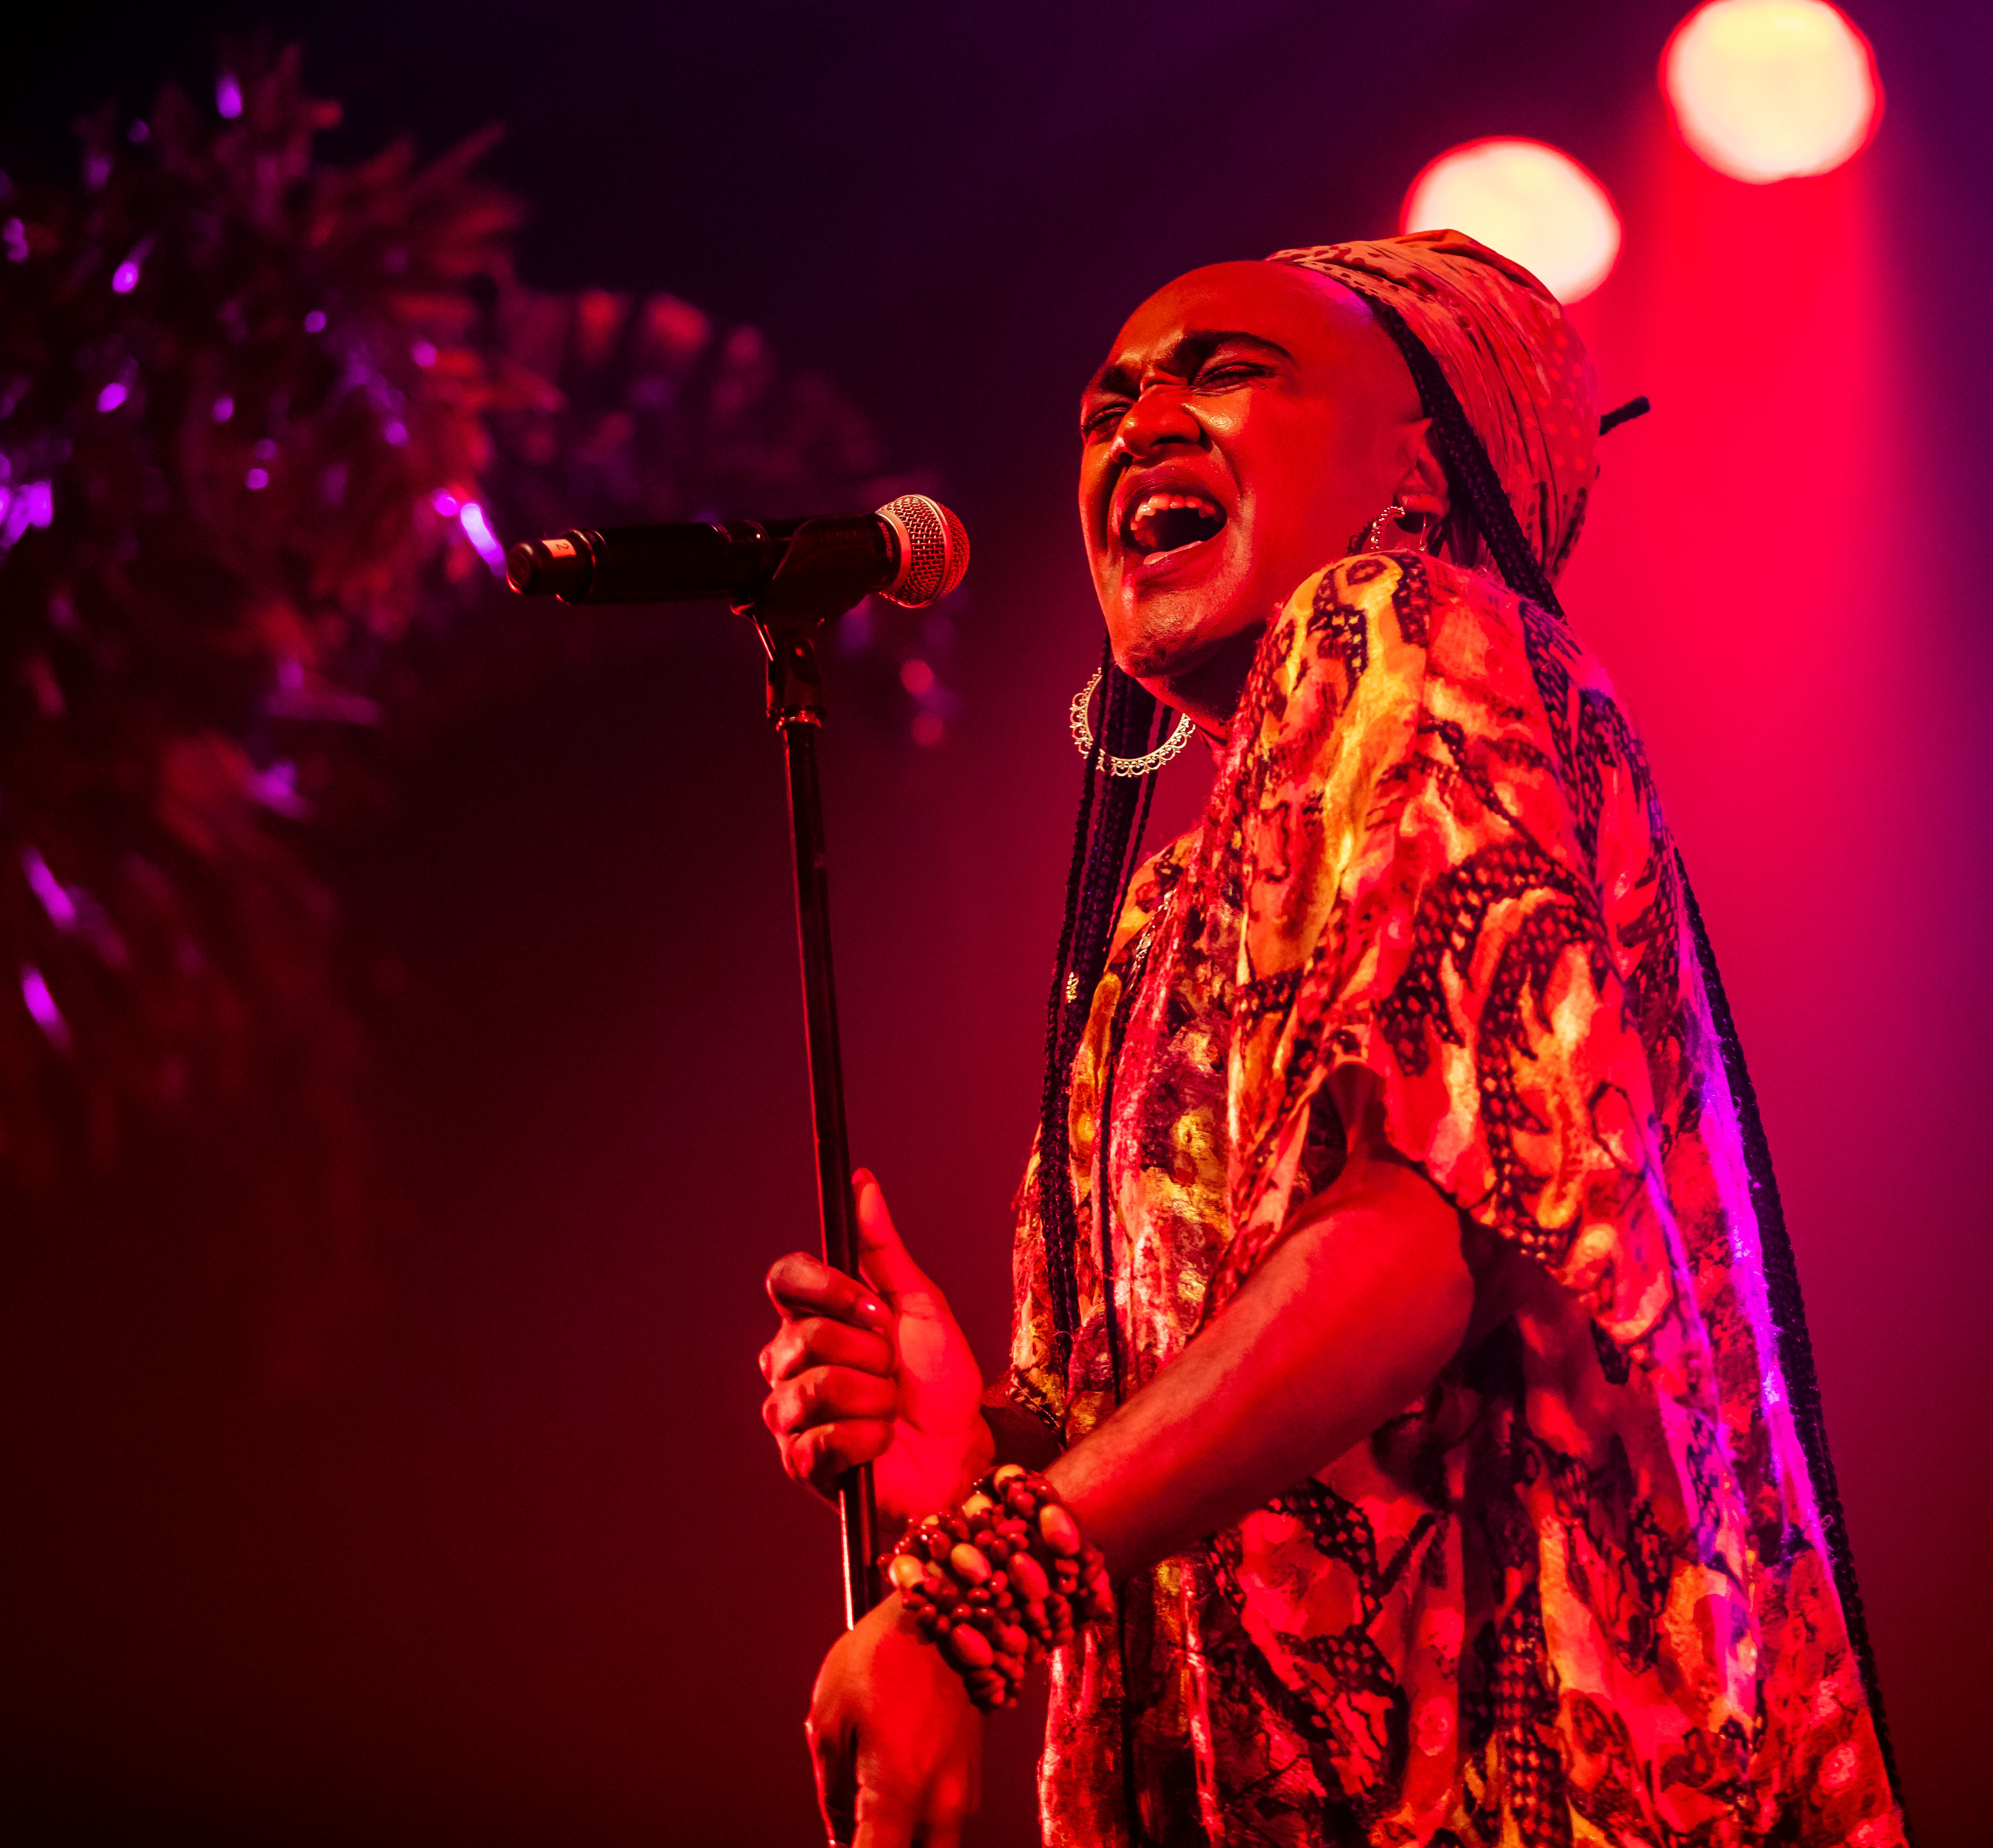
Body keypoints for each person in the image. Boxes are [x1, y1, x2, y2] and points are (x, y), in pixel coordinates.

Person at [761, 230, 1907, 1848]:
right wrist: (992, 1445)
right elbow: (1236, 1424)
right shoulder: (1163, 912)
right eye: (1106, 407)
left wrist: (976, 1597)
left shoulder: (1410, 622)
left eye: (1226, 372)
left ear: (1418, 477)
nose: (1142, 426)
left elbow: (1426, 1233)